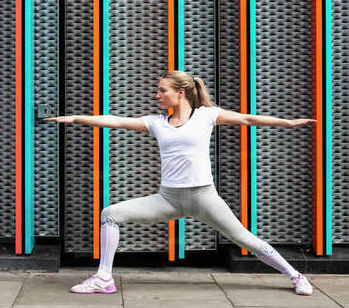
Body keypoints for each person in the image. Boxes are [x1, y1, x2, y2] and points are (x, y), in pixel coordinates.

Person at [44, 70, 317, 296]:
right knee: (110, 214)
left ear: (180, 92)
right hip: (168, 199)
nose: (157, 95)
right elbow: (115, 121)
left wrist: (287, 123)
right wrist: (78, 118)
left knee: (245, 239)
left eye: (162, 90)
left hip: (203, 197)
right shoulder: (155, 122)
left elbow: (247, 118)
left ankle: (296, 275)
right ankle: (104, 278)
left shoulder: (207, 115)